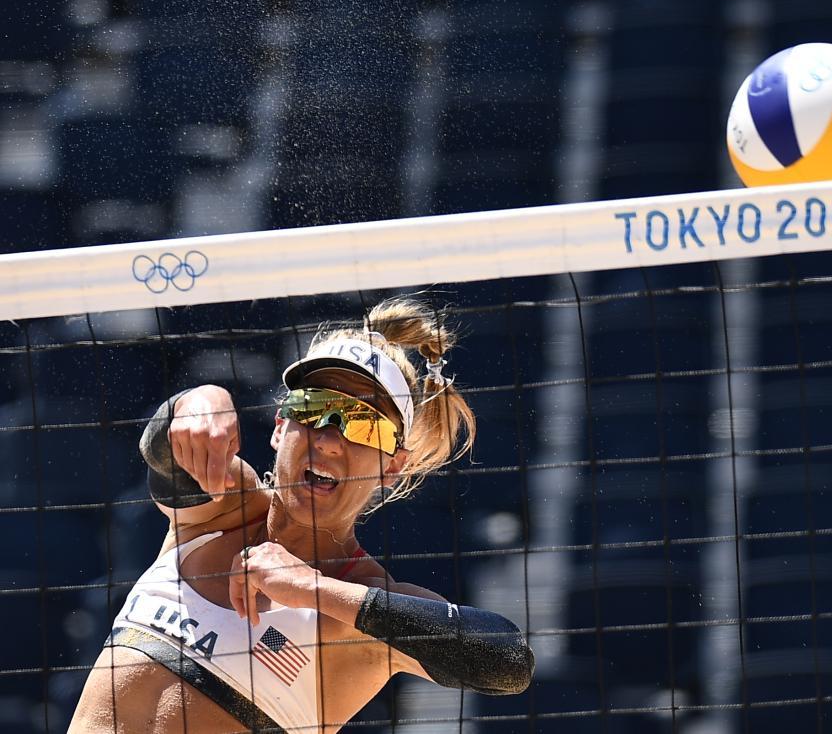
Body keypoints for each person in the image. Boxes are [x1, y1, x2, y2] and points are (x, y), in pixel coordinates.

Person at [69, 297, 534, 733]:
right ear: (279, 427)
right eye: (313, 408)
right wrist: (196, 403)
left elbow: (509, 662)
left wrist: (310, 589)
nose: (329, 437)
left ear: (392, 467)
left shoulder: (364, 607)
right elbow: (167, 455)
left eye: (363, 423)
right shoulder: (224, 508)